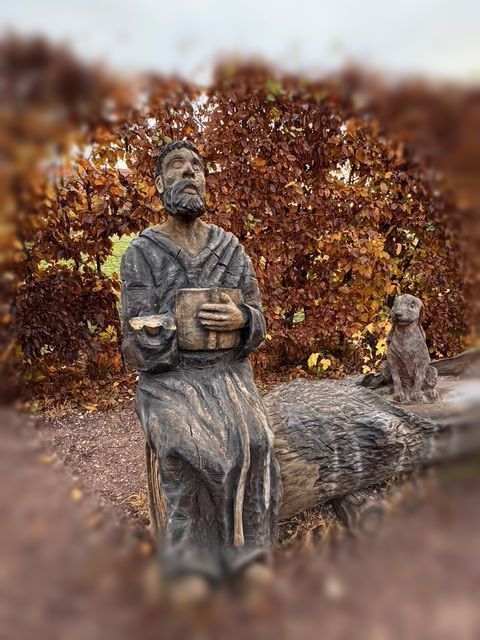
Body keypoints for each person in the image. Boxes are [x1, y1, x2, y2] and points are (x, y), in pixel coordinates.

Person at [120, 139, 281, 595]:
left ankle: (248, 553)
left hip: (228, 373)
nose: (190, 172)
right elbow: (133, 337)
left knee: (256, 441)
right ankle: (192, 562)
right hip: (169, 380)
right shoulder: (142, 253)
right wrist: (160, 332)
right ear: (160, 183)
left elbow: (258, 318)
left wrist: (243, 318)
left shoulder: (230, 248)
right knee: (184, 446)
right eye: (177, 165)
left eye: (197, 166)